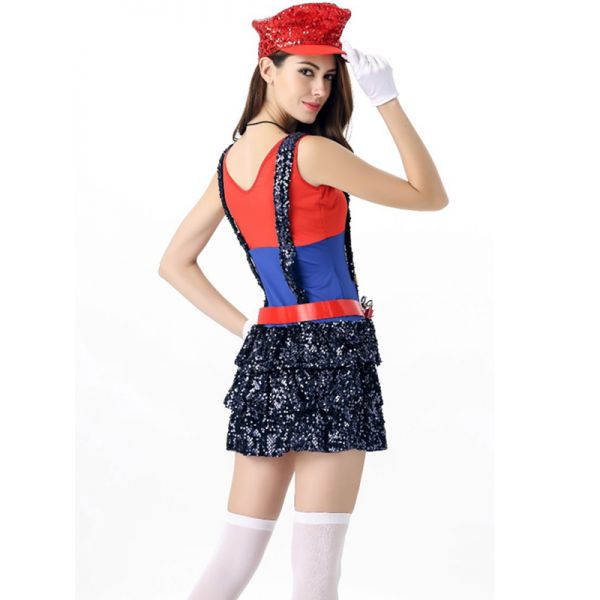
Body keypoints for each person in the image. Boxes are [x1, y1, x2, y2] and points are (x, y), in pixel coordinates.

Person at [158, 2, 449, 598]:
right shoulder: (312, 153)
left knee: (235, 553)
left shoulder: (229, 165)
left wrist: (249, 330)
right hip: (336, 353)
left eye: (329, 75)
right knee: (316, 568)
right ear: (267, 69)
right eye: (305, 72)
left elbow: (174, 263)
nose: (320, 90)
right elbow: (430, 195)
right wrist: (388, 100)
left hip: (268, 357)